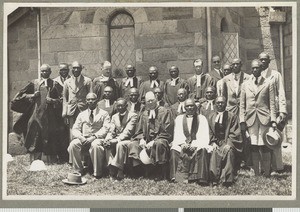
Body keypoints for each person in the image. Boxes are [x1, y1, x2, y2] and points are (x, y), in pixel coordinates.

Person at [13, 64, 61, 162]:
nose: (44, 73)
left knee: (50, 136)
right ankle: (35, 160)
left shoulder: (55, 84)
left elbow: (62, 99)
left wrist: (52, 100)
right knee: (35, 136)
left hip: (50, 116)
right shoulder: (34, 83)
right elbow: (19, 96)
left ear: (50, 72)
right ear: (40, 72)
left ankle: (49, 161)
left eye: (46, 71)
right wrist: (32, 95)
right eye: (43, 71)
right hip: (36, 115)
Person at [240, 59, 276, 177]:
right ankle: (256, 172)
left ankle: (266, 172)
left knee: (264, 144)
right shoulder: (245, 84)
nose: (255, 70)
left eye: (257, 68)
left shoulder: (268, 83)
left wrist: (273, 120)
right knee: (254, 144)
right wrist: (242, 120)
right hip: (251, 118)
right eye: (253, 68)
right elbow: (242, 105)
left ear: (261, 69)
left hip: (264, 118)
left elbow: (272, 103)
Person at [128, 91, 172, 180]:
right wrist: (142, 139)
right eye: (148, 101)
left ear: (156, 99)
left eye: (152, 100)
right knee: (133, 145)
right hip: (147, 140)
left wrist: (154, 141)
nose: (150, 103)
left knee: (159, 144)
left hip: (161, 139)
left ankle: (161, 173)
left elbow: (167, 131)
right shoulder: (144, 114)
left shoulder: (165, 112)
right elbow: (139, 131)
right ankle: (140, 172)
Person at [68, 93, 110, 178]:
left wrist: (94, 137)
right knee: (73, 144)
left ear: (97, 101)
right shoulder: (81, 114)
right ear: (86, 101)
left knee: (95, 145)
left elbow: (106, 128)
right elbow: (75, 129)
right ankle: (78, 170)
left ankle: (97, 172)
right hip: (84, 138)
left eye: (93, 99)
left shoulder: (104, 113)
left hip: (97, 138)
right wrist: (81, 137)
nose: (91, 101)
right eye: (88, 99)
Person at [170, 98, 210, 185]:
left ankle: (200, 177)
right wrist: (182, 144)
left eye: (192, 105)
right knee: (174, 149)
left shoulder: (202, 118)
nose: (190, 108)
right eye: (187, 106)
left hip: (197, 143)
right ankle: (175, 176)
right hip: (183, 143)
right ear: (185, 108)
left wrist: (195, 144)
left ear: (195, 107)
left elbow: (204, 135)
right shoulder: (179, 118)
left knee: (202, 149)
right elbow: (177, 134)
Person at [259, 52, 287, 172]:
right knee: (265, 138)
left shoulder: (276, 75)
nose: (263, 62)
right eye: (261, 60)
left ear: (269, 61)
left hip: (274, 110)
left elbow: (281, 92)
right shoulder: (256, 74)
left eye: (265, 60)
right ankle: (266, 166)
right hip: (262, 110)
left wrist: (282, 111)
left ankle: (278, 166)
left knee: (275, 136)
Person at [207, 96, 242, 186]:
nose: (220, 104)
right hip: (215, 142)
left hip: (228, 141)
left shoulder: (232, 116)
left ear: (226, 104)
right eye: (218, 102)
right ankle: (214, 179)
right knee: (214, 152)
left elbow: (235, 133)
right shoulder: (210, 116)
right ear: (215, 104)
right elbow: (209, 131)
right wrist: (213, 142)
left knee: (229, 151)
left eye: (222, 102)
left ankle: (227, 180)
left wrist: (229, 144)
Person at [223, 58, 251, 167]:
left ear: (241, 65)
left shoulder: (248, 78)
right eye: (233, 64)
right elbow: (224, 97)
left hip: (244, 111)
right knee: (233, 134)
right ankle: (235, 161)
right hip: (231, 111)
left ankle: (246, 161)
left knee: (244, 135)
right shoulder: (226, 79)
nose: (235, 66)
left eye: (237, 64)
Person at [105, 98, 138, 180]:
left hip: (129, 139)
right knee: (107, 144)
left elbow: (128, 131)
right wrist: (108, 139)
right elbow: (111, 130)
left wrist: (117, 140)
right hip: (117, 138)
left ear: (126, 106)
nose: (119, 108)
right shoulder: (114, 116)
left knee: (120, 144)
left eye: (121, 106)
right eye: (118, 106)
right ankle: (111, 168)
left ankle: (119, 169)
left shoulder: (133, 115)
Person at [62, 61, 93, 140]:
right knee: (72, 130)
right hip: (71, 110)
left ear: (81, 69)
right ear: (71, 69)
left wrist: (91, 110)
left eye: (78, 68)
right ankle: (73, 149)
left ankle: (85, 149)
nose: (76, 70)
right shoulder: (67, 82)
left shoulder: (87, 81)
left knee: (85, 128)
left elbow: (91, 96)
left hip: (83, 108)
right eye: (74, 68)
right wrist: (64, 113)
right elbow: (65, 98)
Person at [53, 63, 71, 162]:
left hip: (69, 110)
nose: (63, 72)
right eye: (61, 70)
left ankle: (70, 155)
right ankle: (61, 155)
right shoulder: (55, 82)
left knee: (69, 133)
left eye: (65, 70)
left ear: (68, 70)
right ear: (59, 71)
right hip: (58, 111)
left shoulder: (72, 80)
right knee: (60, 132)